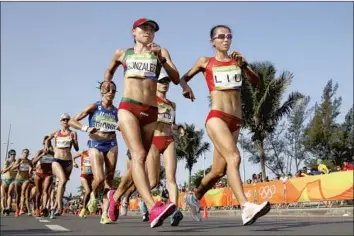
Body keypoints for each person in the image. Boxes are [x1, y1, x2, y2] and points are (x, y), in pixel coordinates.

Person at [180, 24, 270, 225]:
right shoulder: (206, 61)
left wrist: (245, 65)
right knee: (234, 157)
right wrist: (186, 88)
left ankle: (194, 196)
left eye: (229, 36)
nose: (225, 39)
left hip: (235, 121)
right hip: (217, 116)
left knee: (218, 171)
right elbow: (183, 78)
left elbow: (257, 83)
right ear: (212, 41)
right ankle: (245, 206)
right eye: (220, 36)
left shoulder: (237, 61)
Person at [104, 18, 180, 228]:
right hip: (128, 107)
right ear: (133, 32)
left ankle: (115, 196)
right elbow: (109, 70)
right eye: (143, 28)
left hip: (151, 110)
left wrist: (161, 60)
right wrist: (108, 82)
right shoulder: (123, 53)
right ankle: (153, 206)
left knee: (143, 159)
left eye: (152, 29)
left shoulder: (160, 52)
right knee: (138, 155)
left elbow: (175, 77)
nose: (148, 31)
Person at [68, 80, 119, 224]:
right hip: (95, 143)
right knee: (100, 178)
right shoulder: (94, 106)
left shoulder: (116, 111)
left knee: (109, 179)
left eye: (113, 90)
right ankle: (92, 196)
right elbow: (72, 121)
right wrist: (85, 128)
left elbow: (122, 126)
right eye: (107, 89)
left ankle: (104, 215)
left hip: (111, 143)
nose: (110, 92)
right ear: (101, 91)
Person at [45, 113, 79, 217]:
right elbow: (47, 139)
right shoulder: (56, 132)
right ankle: (59, 207)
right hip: (57, 160)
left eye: (67, 119)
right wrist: (47, 145)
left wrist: (73, 140)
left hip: (68, 162)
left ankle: (54, 206)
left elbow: (77, 148)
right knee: (62, 180)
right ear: (60, 122)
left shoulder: (73, 133)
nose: (65, 121)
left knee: (63, 185)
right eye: (63, 119)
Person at [32, 136, 55, 217]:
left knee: (45, 191)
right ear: (43, 144)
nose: (47, 145)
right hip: (39, 174)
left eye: (49, 143)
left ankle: (44, 208)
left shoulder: (53, 153)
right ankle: (37, 208)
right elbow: (33, 162)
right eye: (45, 143)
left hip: (48, 174)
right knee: (39, 193)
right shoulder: (39, 151)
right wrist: (41, 155)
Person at [11, 149, 32, 216]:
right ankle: (17, 208)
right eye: (24, 152)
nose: (26, 154)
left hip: (25, 179)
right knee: (18, 195)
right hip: (18, 179)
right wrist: (19, 164)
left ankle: (21, 209)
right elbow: (12, 168)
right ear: (22, 153)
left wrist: (30, 170)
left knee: (23, 193)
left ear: (28, 154)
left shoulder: (29, 161)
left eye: (27, 153)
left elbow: (32, 168)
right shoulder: (19, 159)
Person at [72, 150, 93, 218]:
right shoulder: (83, 152)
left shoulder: (97, 153)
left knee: (90, 193)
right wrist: (74, 162)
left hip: (93, 176)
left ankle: (85, 209)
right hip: (84, 175)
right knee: (88, 191)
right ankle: (83, 209)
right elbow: (73, 157)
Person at [1, 149, 17, 216]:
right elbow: (4, 171)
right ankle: (3, 208)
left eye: (14, 154)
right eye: (11, 154)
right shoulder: (7, 161)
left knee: (9, 194)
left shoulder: (16, 161)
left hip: (12, 180)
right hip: (5, 179)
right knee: (3, 196)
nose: (13, 156)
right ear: (9, 155)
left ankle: (8, 208)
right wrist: (11, 166)